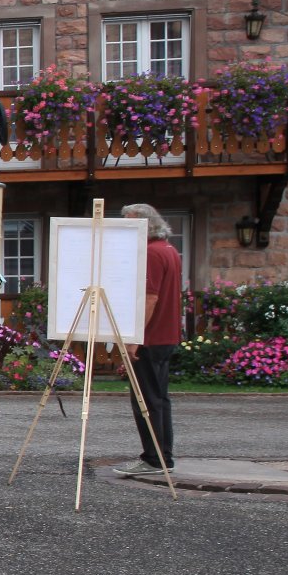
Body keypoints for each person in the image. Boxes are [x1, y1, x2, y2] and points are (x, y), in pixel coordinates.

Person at [116, 203, 180, 476]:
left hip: (151, 338)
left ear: (145, 225)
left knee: (146, 400)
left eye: (130, 223)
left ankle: (154, 458)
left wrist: (135, 338)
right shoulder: (168, 249)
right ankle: (162, 456)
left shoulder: (151, 252)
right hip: (165, 335)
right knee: (159, 399)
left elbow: (150, 299)